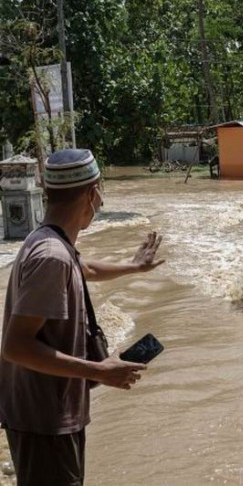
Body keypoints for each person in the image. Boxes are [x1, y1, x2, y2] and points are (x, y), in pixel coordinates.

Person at [0, 149, 165, 486]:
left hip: (47, 413)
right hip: (44, 418)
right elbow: (15, 346)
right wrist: (99, 371)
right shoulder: (52, 257)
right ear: (92, 194)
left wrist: (135, 266)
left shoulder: (51, 243)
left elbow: (84, 268)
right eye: (100, 192)